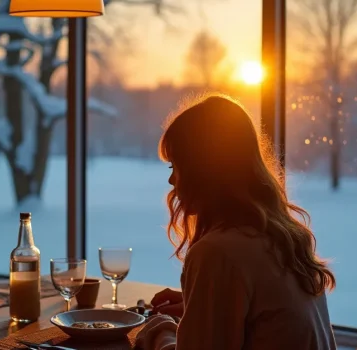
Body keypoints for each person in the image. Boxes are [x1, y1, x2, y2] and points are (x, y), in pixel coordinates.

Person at [135, 94, 337, 350]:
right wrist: (199, 306)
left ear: (203, 171)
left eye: (176, 166)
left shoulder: (218, 252)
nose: (172, 181)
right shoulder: (284, 237)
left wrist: (160, 330)